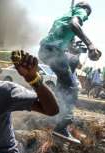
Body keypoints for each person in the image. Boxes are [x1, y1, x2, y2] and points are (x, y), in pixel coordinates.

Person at [39, 1, 101, 144]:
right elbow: (75, 24)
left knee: (64, 84)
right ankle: (62, 126)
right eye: (87, 14)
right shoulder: (81, 11)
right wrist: (90, 44)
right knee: (72, 87)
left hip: (45, 50)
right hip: (53, 51)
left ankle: (55, 116)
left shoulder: (62, 18)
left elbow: (65, 43)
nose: (86, 17)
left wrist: (76, 51)